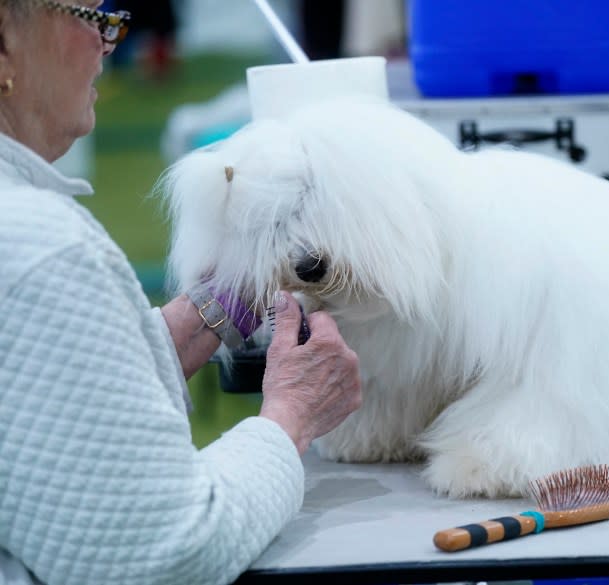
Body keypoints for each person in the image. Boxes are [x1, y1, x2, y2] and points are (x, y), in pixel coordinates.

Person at [0, 2, 362, 584]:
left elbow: (44, 389)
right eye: (88, 16)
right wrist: (292, 414)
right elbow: (165, 554)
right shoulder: (39, 246)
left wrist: (215, 310)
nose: (108, 41)